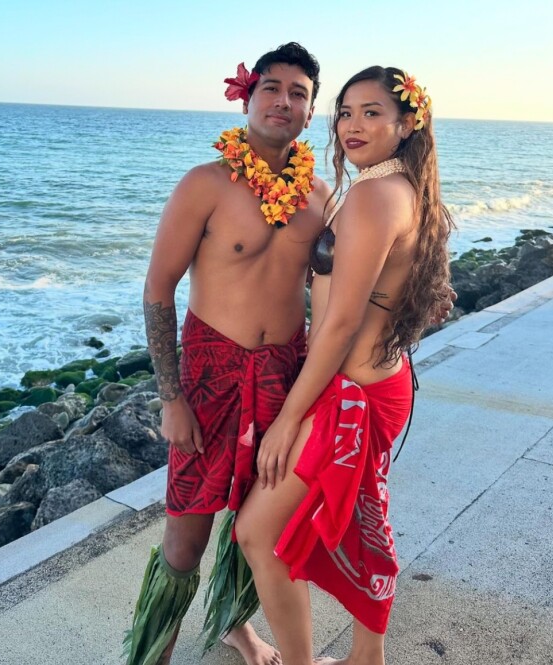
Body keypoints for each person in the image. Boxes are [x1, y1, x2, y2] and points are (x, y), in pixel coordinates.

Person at [235, 66, 454, 665]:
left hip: (351, 392)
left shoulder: (376, 194)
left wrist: (286, 420)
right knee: (358, 521)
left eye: (372, 112)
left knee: (257, 533)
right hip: (372, 382)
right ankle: (365, 657)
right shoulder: (402, 187)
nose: (353, 125)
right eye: (346, 111)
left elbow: (337, 324)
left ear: (407, 123)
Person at [123, 43, 333, 665]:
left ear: (311, 110)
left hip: (283, 378)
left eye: (298, 93)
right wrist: (170, 397)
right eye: (272, 88)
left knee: (258, 526)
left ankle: (233, 627)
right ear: (248, 97)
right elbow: (159, 289)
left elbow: (349, 283)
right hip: (209, 375)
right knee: (185, 541)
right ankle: (150, 653)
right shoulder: (205, 184)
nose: (284, 101)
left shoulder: (321, 198)